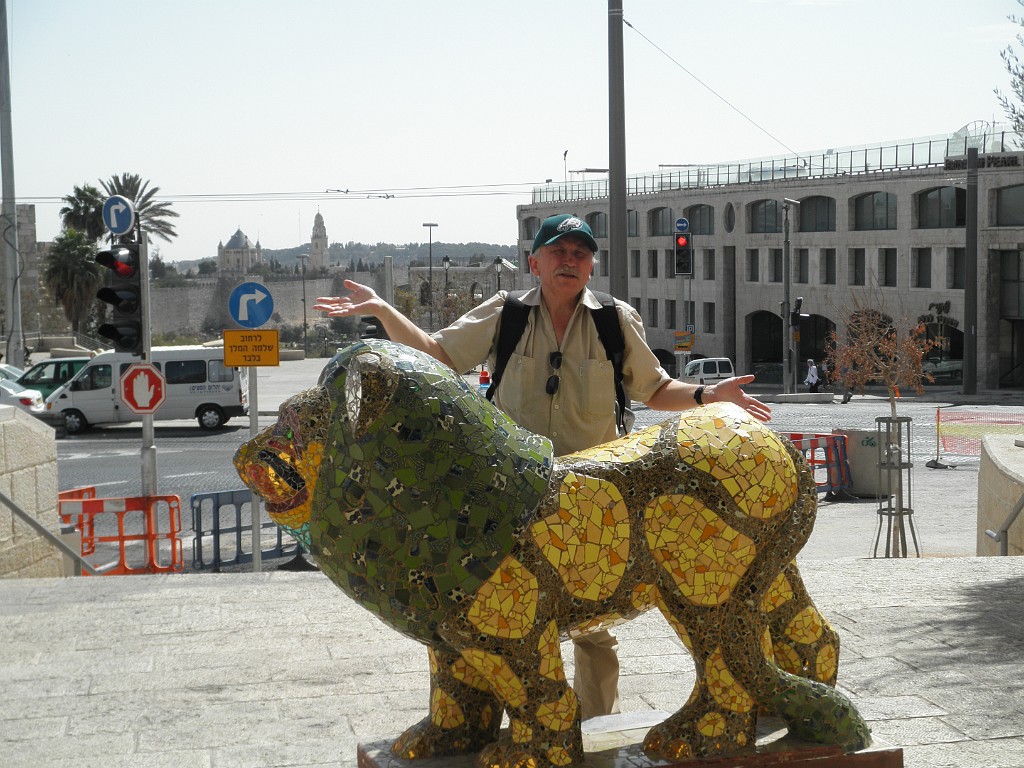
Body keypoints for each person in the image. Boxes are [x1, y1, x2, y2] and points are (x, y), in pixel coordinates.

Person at [314, 212, 771, 720]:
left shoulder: (614, 321)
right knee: (503, 612)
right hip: (512, 493)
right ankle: (519, 725)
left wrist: (708, 394)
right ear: (535, 262)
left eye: (580, 253)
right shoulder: (504, 314)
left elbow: (656, 388)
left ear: (591, 266)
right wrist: (384, 311)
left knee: (595, 626)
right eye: (559, 251)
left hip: (594, 494)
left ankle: (598, 733)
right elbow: (437, 354)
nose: (570, 261)